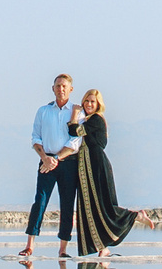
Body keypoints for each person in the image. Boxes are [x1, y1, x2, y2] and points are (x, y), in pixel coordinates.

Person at [66, 88, 154, 255]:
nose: (89, 104)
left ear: (98, 104)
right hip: (86, 168)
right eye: (87, 101)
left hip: (97, 166)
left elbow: (74, 131)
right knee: (89, 206)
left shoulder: (96, 120)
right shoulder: (88, 120)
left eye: (92, 101)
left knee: (104, 206)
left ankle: (136, 216)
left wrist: (74, 114)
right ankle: (102, 247)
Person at [17, 75, 85, 261]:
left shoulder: (77, 112)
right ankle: (29, 245)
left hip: (68, 163)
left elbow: (75, 141)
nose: (60, 89)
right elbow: (35, 138)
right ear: (52, 88)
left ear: (70, 89)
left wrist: (56, 158)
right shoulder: (43, 111)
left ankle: (62, 248)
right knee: (40, 200)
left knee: (67, 204)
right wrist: (45, 158)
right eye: (57, 86)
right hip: (45, 162)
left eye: (64, 86)